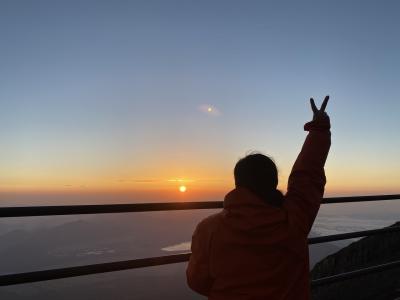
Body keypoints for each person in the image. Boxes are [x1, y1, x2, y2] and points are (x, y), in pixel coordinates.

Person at [186, 96, 331, 300]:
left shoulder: (209, 229)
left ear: (238, 183)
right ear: (272, 183)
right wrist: (319, 129)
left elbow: (197, 281)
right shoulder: (294, 219)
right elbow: (307, 176)